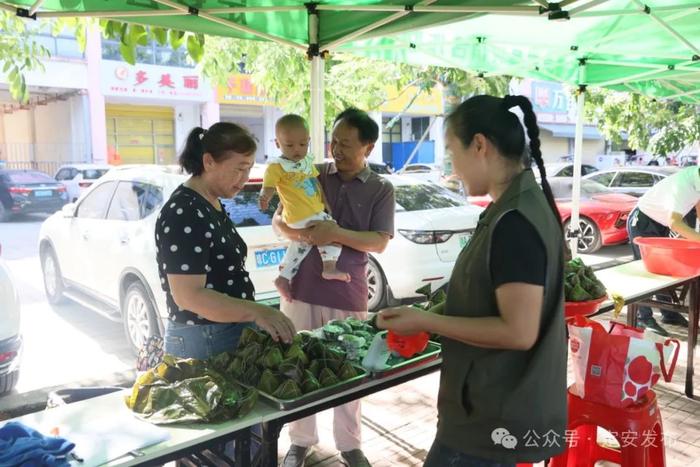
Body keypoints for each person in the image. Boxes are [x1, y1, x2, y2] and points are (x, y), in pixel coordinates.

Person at [377, 95, 567, 467]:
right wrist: (428, 316)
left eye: (452, 152)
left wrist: (428, 321)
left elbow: (519, 331)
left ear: (480, 145)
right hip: (491, 410)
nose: (452, 167)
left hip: (489, 420)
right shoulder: (513, 208)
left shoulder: (515, 221)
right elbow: (486, 297)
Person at [273, 108, 395, 467]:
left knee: (348, 371)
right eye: (333, 141)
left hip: (347, 291)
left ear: (368, 148)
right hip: (301, 288)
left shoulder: (380, 189)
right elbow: (280, 219)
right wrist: (300, 235)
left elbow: (379, 241)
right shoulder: (310, 172)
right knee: (298, 366)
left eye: (345, 144)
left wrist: (335, 234)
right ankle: (300, 440)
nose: (336, 150)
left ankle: (350, 444)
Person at [155, 122, 296, 361]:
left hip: (223, 332)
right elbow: (188, 296)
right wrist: (257, 311)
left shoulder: (212, 202)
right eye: (239, 169)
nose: (244, 179)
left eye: (249, 169)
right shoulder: (185, 211)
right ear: (208, 161)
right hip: (202, 339)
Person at [259, 114, 350, 303]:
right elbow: (268, 186)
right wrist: (265, 197)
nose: (297, 150)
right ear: (278, 144)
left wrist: (325, 201)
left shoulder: (307, 162)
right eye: (289, 145)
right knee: (332, 232)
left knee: (301, 246)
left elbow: (315, 182)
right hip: (298, 214)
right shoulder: (276, 166)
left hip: (313, 211)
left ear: (308, 141)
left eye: (302, 144)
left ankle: (283, 277)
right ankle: (329, 266)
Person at [627, 165, 700, 336]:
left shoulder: (696, 178)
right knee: (646, 274)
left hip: (660, 223)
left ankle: (670, 314)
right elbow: (675, 223)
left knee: (664, 271)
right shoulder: (685, 185)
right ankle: (643, 317)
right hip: (643, 221)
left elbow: (699, 206)